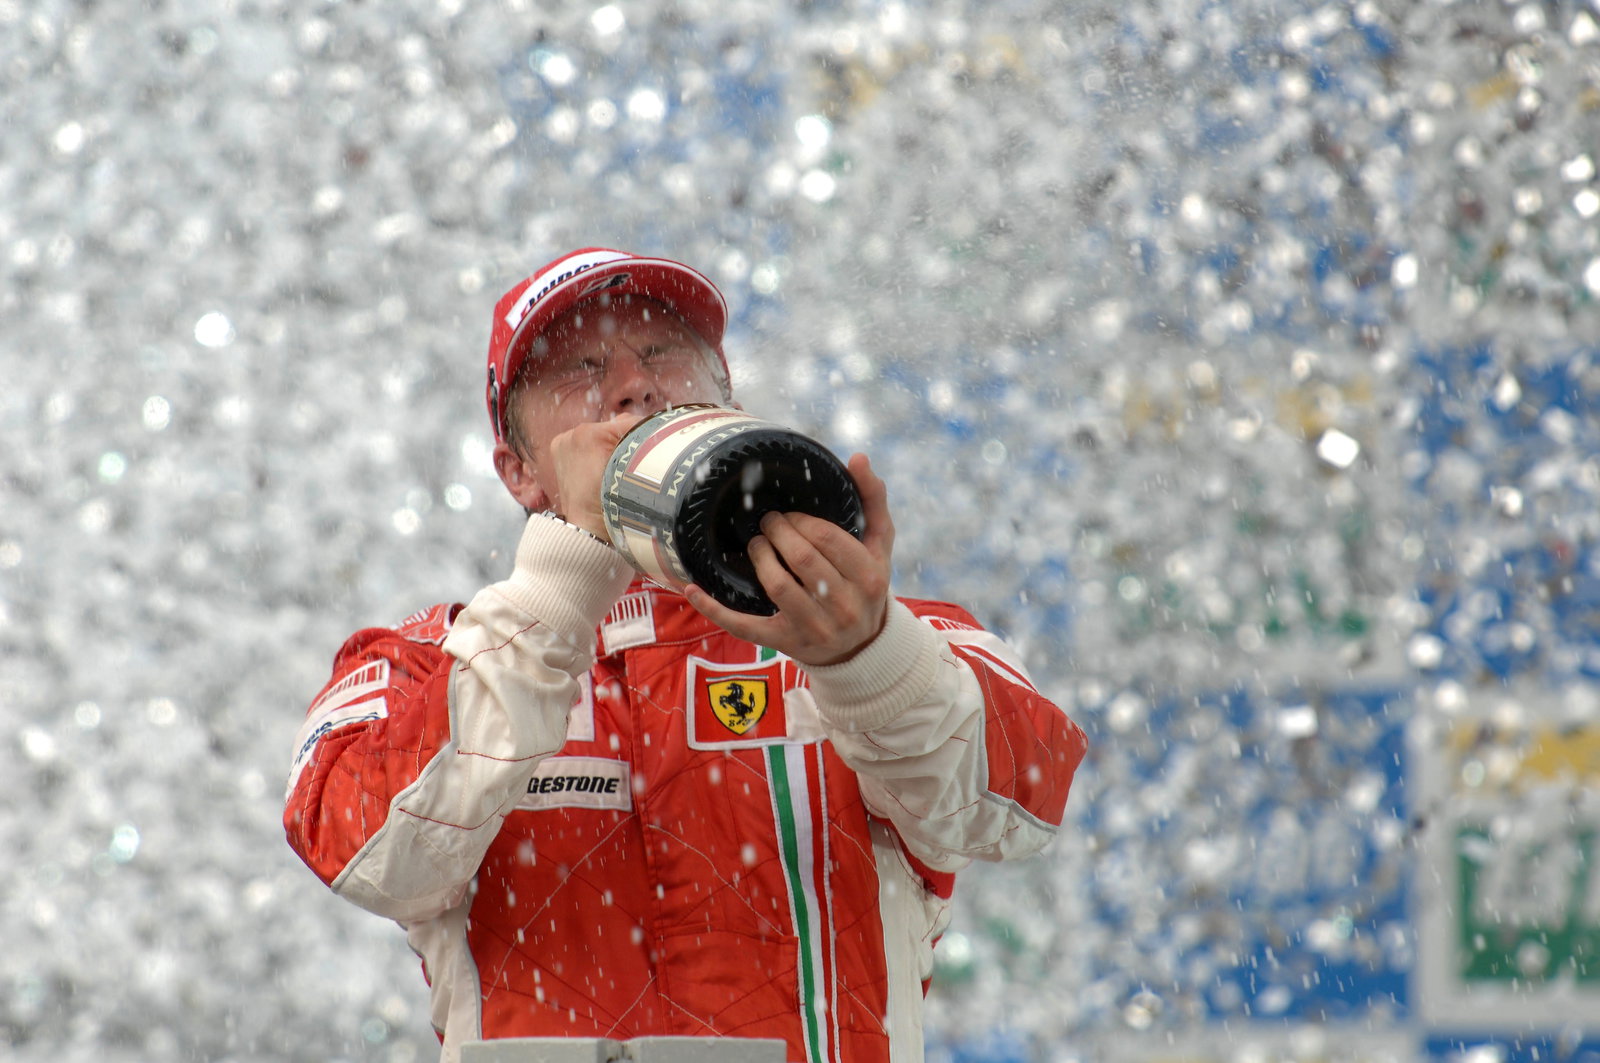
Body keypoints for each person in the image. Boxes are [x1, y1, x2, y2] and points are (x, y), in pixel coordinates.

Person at [284, 247, 1089, 1063]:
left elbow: (1022, 802)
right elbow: (375, 856)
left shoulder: (883, 632)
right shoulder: (426, 662)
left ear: (727, 399)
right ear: (519, 470)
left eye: (665, 353)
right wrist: (562, 576)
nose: (634, 385)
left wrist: (866, 656)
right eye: (582, 366)